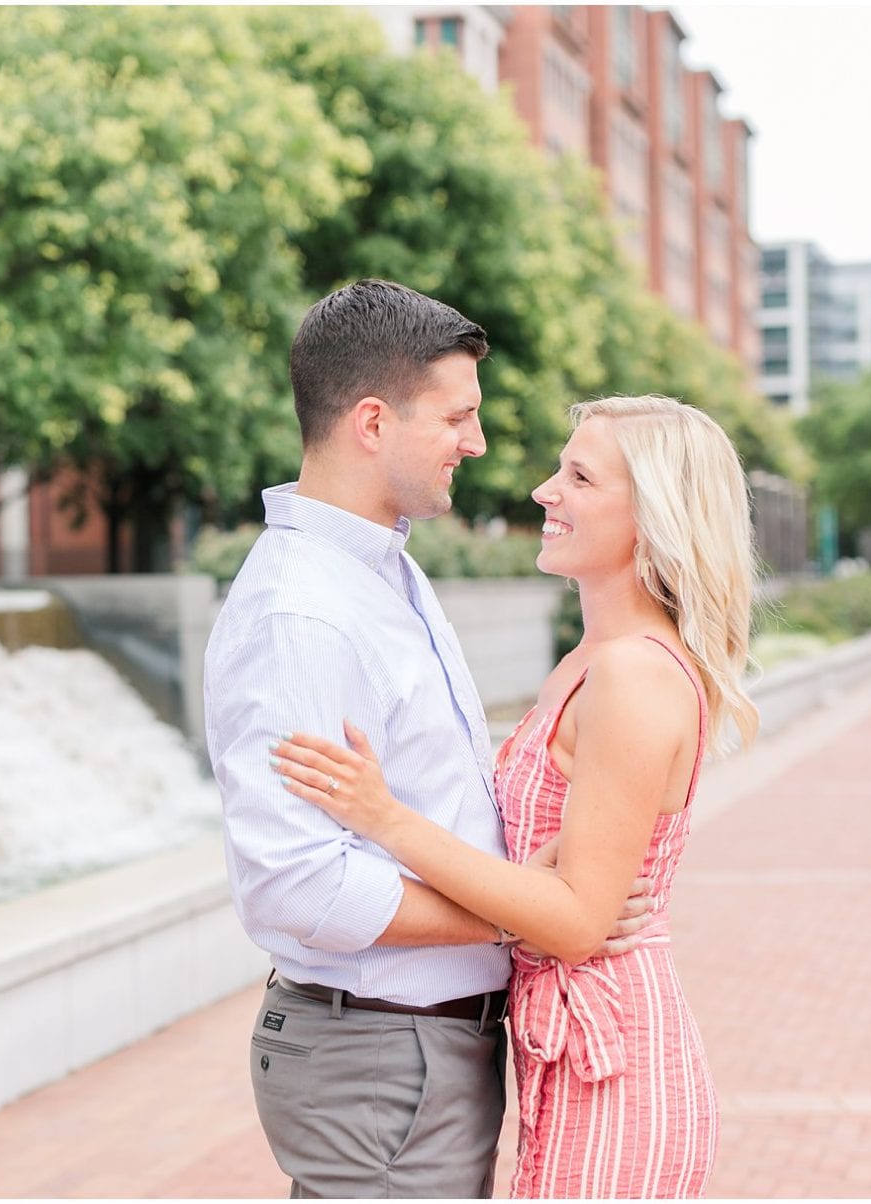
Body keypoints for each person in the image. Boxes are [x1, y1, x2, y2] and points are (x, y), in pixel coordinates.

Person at [204, 279, 649, 1199]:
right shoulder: (306, 613)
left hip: (411, 1049)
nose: (477, 443)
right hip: (381, 1051)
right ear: (373, 422)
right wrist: (528, 910)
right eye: (458, 417)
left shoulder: (382, 569)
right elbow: (297, 882)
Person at [272, 394, 760, 1197]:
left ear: (653, 517)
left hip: (612, 1065)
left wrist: (383, 816)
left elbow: (574, 923)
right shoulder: (592, 662)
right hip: (567, 1058)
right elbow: (557, 894)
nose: (544, 490)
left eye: (579, 476)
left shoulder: (633, 676)